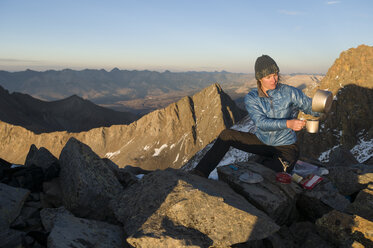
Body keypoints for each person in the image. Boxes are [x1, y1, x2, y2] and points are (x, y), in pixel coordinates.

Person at [192, 55, 320, 178]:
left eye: (275, 74)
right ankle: (200, 173)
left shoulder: (289, 92)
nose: (274, 79)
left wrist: (323, 105)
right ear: (259, 78)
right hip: (262, 142)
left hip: (286, 147)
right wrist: (288, 124)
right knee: (226, 135)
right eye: (268, 76)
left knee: (265, 175)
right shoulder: (252, 97)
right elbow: (261, 123)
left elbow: (311, 107)